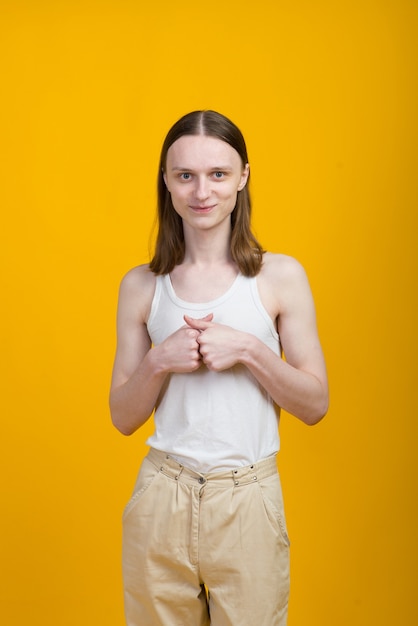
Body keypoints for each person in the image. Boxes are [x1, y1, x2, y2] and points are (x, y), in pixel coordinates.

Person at [109, 110, 328, 626]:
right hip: (161, 495)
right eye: (185, 175)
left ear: (243, 177)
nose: (201, 192)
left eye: (218, 174)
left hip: (247, 499)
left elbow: (315, 404)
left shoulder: (280, 277)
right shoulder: (141, 285)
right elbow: (122, 416)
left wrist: (252, 351)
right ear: (166, 182)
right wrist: (160, 361)